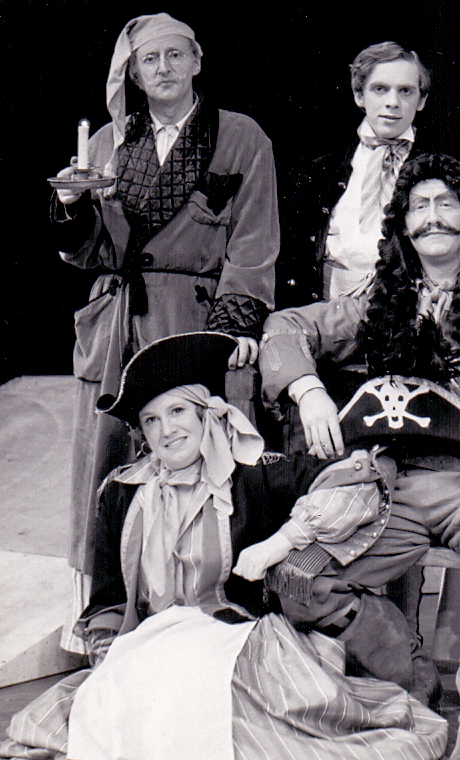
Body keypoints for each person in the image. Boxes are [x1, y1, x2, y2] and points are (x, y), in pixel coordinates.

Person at [243, 153, 460, 760]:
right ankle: (413, 680)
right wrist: (307, 389)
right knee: (299, 573)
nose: (433, 217)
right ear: (403, 225)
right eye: (418, 207)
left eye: (445, 204)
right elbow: (287, 325)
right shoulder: (382, 301)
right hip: (388, 483)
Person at [0, 332, 447, 760]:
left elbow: (356, 477)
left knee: (245, 727)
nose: (166, 431)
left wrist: (285, 540)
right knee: (108, 721)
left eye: (177, 412)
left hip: (237, 641)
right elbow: (109, 599)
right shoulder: (122, 493)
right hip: (153, 643)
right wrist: (109, 660)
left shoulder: (253, 473)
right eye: (151, 420)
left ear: (206, 414)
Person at [50, 13, 279, 653]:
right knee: (106, 466)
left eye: (176, 55)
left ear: (197, 61)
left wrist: (233, 327)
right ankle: (104, 621)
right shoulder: (106, 141)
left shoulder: (240, 136)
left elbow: (254, 242)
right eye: (150, 60)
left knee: (193, 459)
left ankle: (199, 621)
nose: (164, 69)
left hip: (191, 319)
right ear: (133, 74)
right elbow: (88, 253)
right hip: (116, 320)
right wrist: (71, 209)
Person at [280, 41, 430, 307]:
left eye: (405, 91)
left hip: (406, 309)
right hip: (328, 309)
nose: (392, 102)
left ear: (421, 100)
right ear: (359, 96)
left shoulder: (436, 170)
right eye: (379, 89)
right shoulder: (322, 171)